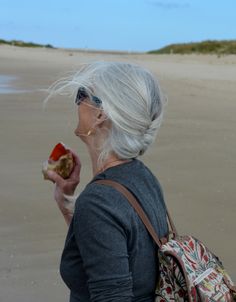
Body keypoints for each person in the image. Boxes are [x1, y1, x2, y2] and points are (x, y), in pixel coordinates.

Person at [45, 62, 169, 302]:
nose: (77, 103)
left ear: (100, 114)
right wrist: (67, 203)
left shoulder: (99, 202)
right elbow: (109, 250)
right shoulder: (143, 176)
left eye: (82, 95)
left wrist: (85, 205)